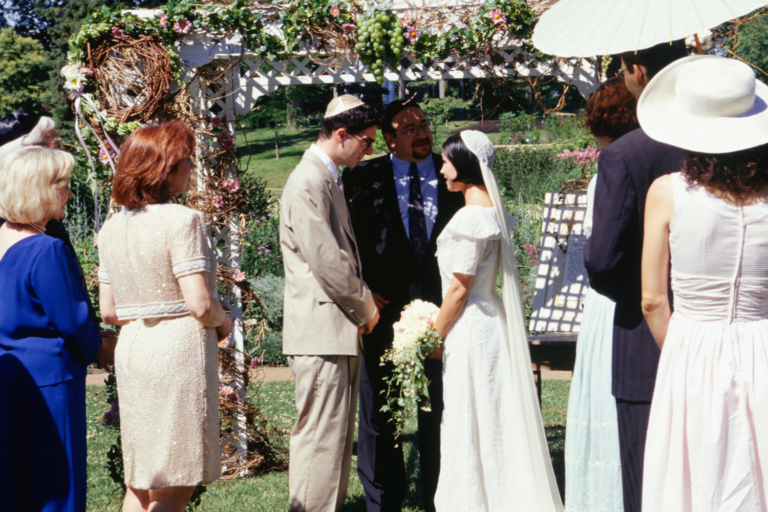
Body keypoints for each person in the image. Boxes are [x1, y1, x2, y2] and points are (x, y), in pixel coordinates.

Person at [640, 55, 768, 512]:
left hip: (692, 342)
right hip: (762, 339)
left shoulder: (667, 191)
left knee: (695, 474)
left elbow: (653, 300)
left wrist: (681, 349)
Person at [98, 121, 233, 512]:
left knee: (142, 479)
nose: (191, 167)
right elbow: (201, 304)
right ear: (164, 168)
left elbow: (109, 310)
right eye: (185, 161)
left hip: (135, 349)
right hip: (176, 352)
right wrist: (224, 322)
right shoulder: (182, 220)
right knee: (176, 478)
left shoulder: (111, 228)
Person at [342, 99, 463, 512]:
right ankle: (384, 501)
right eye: (409, 128)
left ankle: (438, 497)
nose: (422, 133)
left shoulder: (455, 177)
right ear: (389, 140)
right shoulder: (360, 178)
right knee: (379, 412)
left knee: (439, 406)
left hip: (443, 312)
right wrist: (361, 289)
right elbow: (344, 242)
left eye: (424, 124)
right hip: (382, 311)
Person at [432, 130, 563, 512]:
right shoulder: (493, 212)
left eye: (446, 161)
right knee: (493, 411)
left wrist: (430, 338)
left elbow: (459, 289)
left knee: (472, 412)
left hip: (472, 325)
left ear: (465, 165)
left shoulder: (472, 217)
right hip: (490, 319)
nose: (441, 169)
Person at [582, 40, 688, 512]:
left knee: (648, 484)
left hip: (645, 342)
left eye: (624, 68)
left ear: (638, 71)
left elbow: (603, 260)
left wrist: (646, 290)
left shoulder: (626, 155)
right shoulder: (737, 148)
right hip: (727, 330)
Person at [280, 95, 380, 512]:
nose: (370, 150)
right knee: (320, 440)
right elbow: (327, 260)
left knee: (335, 440)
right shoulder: (308, 180)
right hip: (321, 333)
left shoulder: (324, 176)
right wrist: (367, 307)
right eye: (367, 140)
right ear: (341, 135)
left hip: (333, 332)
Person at [0, 146, 111, 512]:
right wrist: (102, 347)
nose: (68, 192)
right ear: (42, 190)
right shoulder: (46, 249)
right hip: (50, 383)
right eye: (62, 184)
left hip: (8, 376)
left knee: (15, 484)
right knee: (57, 485)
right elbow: (73, 321)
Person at [565, 76, 639, 512]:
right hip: (619, 295)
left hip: (608, 297)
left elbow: (602, 253)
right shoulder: (637, 162)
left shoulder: (611, 166)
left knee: (604, 396)